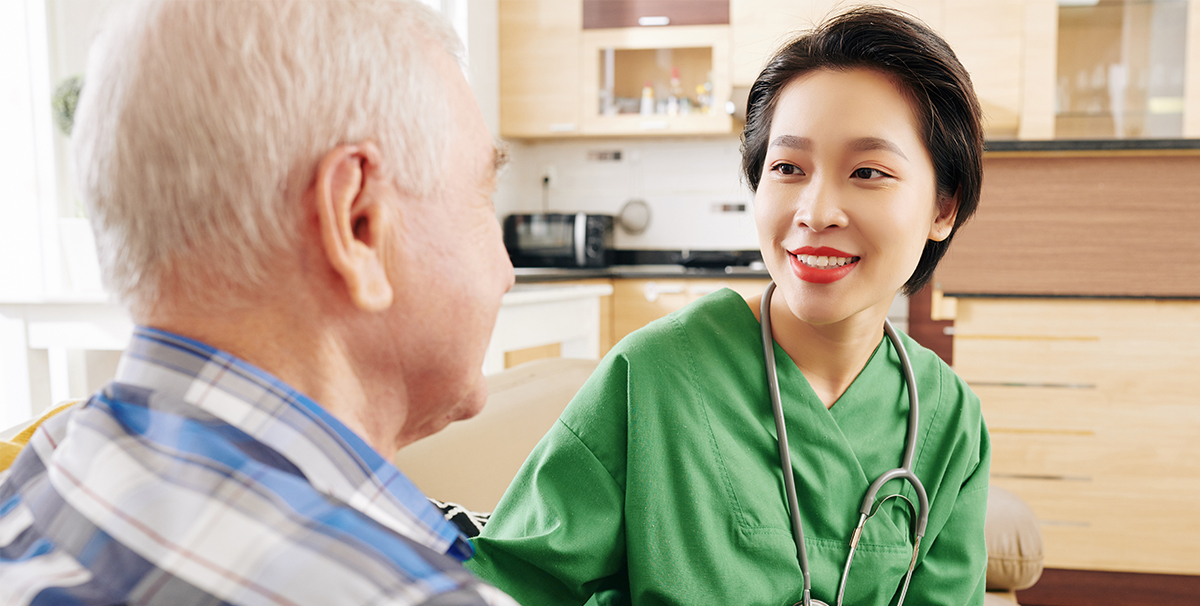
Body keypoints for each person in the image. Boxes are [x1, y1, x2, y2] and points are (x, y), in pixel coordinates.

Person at [466, 6, 990, 606]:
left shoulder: (952, 423)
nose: (815, 213)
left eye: (868, 171)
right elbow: (507, 589)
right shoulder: (653, 377)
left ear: (942, 208)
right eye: (788, 167)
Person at [0, 1, 520, 604]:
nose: (505, 271)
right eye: (483, 194)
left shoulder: (41, 471)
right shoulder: (410, 595)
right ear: (357, 226)